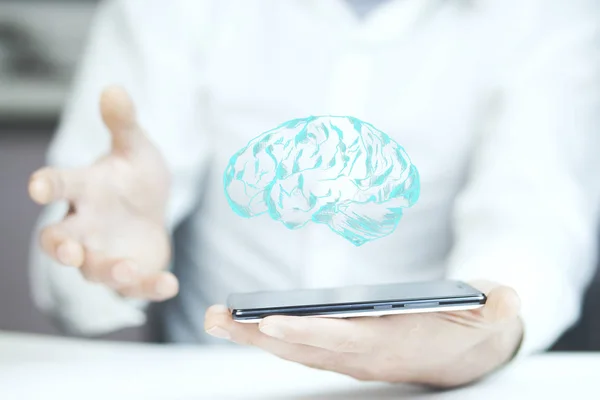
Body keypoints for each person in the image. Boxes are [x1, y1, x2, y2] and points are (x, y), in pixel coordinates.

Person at [27, 0, 600, 388]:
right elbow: (79, 247)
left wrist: (483, 331)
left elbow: (535, 221)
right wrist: (103, 257)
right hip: (211, 381)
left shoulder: (549, 14)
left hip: (435, 387)